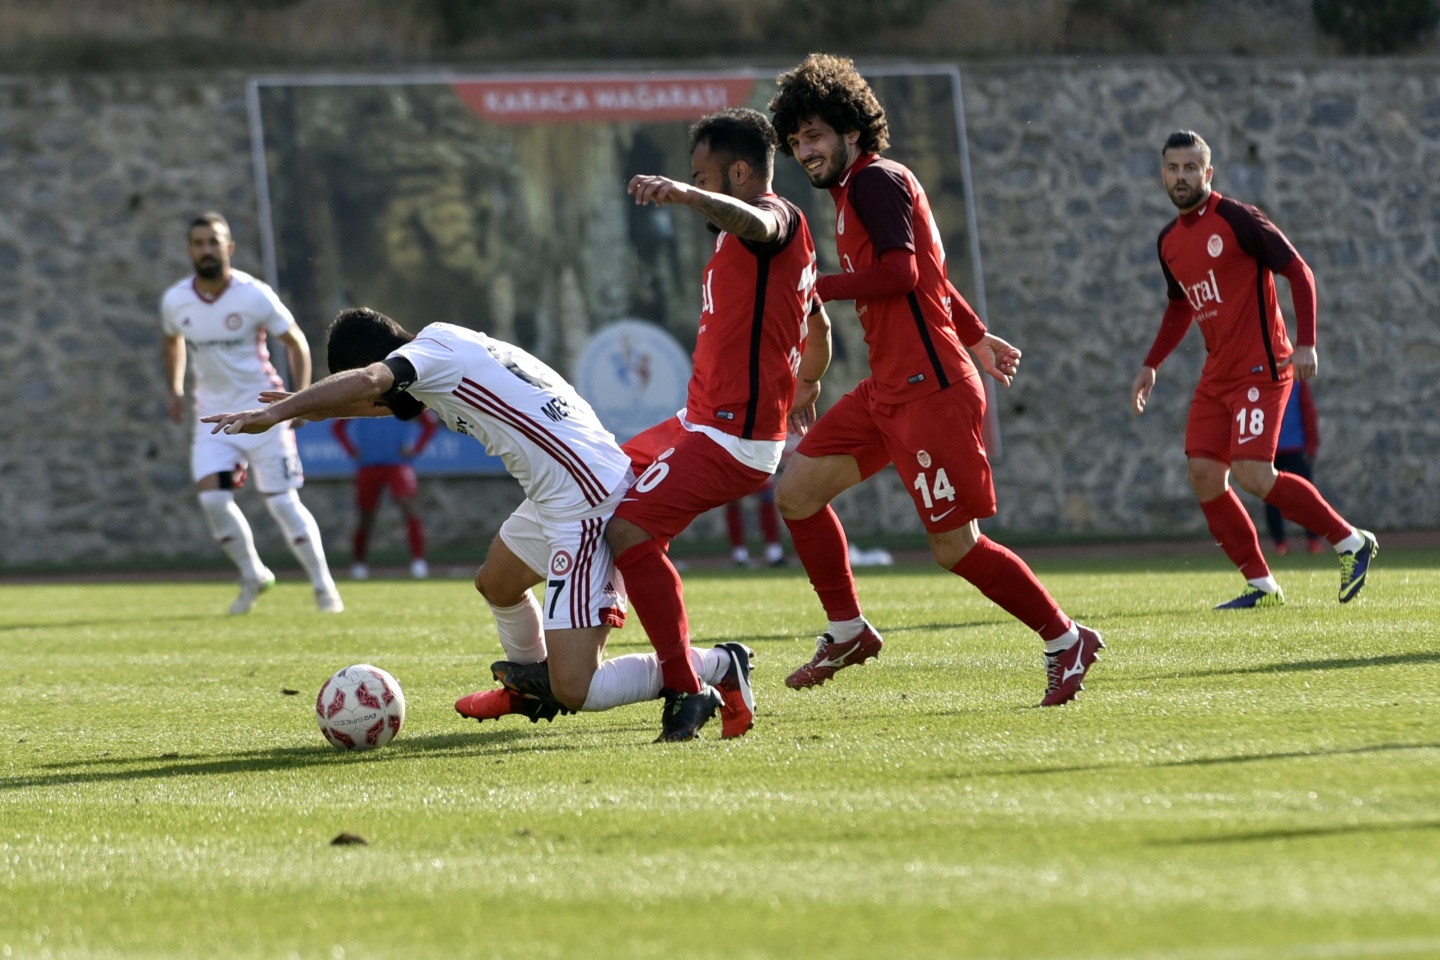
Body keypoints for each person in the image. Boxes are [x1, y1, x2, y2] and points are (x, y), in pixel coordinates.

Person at [202, 308, 756, 741]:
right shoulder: (442, 348)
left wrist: (279, 412)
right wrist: (312, 408)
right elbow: (392, 396)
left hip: (585, 499)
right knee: (498, 581)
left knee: (577, 688)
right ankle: (527, 686)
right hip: (560, 487)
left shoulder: (423, 359)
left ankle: (715, 664)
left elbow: (375, 381)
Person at [768, 53, 1103, 706]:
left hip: (929, 393)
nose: (806, 150)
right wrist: (976, 335)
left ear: (851, 130)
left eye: (815, 134)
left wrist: (815, 285)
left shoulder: (873, 182)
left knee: (954, 547)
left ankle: (1066, 640)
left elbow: (904, 275)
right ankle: (847, 630)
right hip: (889, 391)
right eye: (797, 139)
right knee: (798, 492)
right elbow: (933, 277)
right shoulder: (856, 191)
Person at [605, 106, 833, 740]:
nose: (696, 185)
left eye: (704, 175)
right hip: (700, 420)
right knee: (602, 479)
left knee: (627, 531)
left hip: (731, 437)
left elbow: (760, 219)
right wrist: (808, 378)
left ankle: (691, 685)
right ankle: (573, 653)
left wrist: (682, 195)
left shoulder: (775, 219)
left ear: (737, 173)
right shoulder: (772, 242)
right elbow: (819, 325)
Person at [1131, 130, 1377, 608]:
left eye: (1190, 168)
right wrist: (1151, 364)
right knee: (1203, 474)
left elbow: (1299, 271)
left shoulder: (1237, 219)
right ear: (1163, 174)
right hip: (1216, 375)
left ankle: (1351, 541)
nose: (1181, 177)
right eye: (1173, 168)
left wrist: (1306, 344)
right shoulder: (1168, 243)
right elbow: (1180, 308)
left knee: (1252, 473)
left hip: (1262, 367)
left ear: (1208, 172)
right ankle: (1262, 585)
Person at [160, 212, 344, 615]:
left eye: (213, 242)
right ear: (189, 250)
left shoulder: (253, 294)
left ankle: (324, 588)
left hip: (263, 414)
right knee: (213, 500)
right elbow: (172, 342)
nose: (206, 249)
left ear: (229, 248)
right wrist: (175, 389)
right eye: (198, 243)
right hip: (213, 419)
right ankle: (253, 574)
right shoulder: (176, 300)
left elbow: (294, 342)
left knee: (281, 503)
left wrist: (300, 398)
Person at [331, 410, 439, 579]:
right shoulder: (363, 396)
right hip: (368, 466)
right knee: (366, 516)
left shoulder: (404, 397)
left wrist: (416, 449)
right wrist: (351, 450)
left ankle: (419, 561)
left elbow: (430, 424)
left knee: (409, 508)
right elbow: (337, 427)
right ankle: (359, 563)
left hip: (398, 464)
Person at [1264, 380, 1323, 555]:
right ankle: (1281, 543)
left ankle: (1311, 540)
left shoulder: (1297, 382)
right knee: (1272, 498)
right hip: (1272, 449)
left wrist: (1311, 445)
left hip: (1294, 447)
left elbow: (1308, 411)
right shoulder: (1264, 380)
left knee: (1305, 496)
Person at [724, 478, 786, 568]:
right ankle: (739, 556)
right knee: (733, 503)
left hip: (756, 468)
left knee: (767, 498)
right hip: (736, 468)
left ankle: (774, 554)